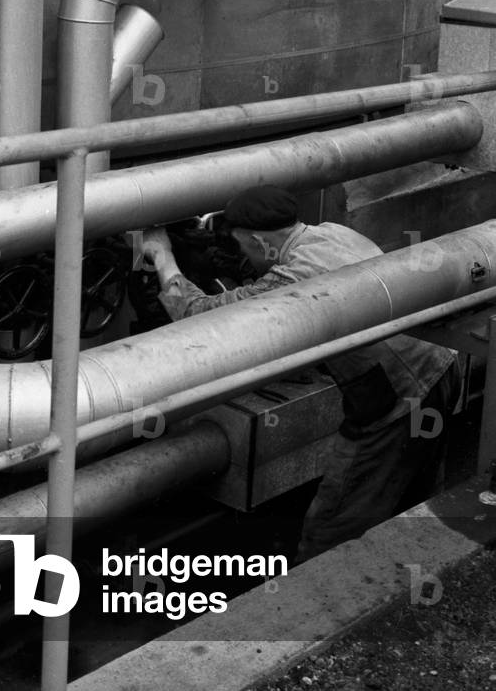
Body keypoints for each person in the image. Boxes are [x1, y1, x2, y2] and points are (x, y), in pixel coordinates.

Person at [141, 185, 461, 562]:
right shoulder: (333, 233)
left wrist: (164, 259)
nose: (241, 253)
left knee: (332, 527)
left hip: (399, 399)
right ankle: (409, 580)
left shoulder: (294, 276)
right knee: (411, 501)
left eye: (242, 245)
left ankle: (328, 605)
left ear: (259, 240)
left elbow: (203, 318)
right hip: (441, 367)